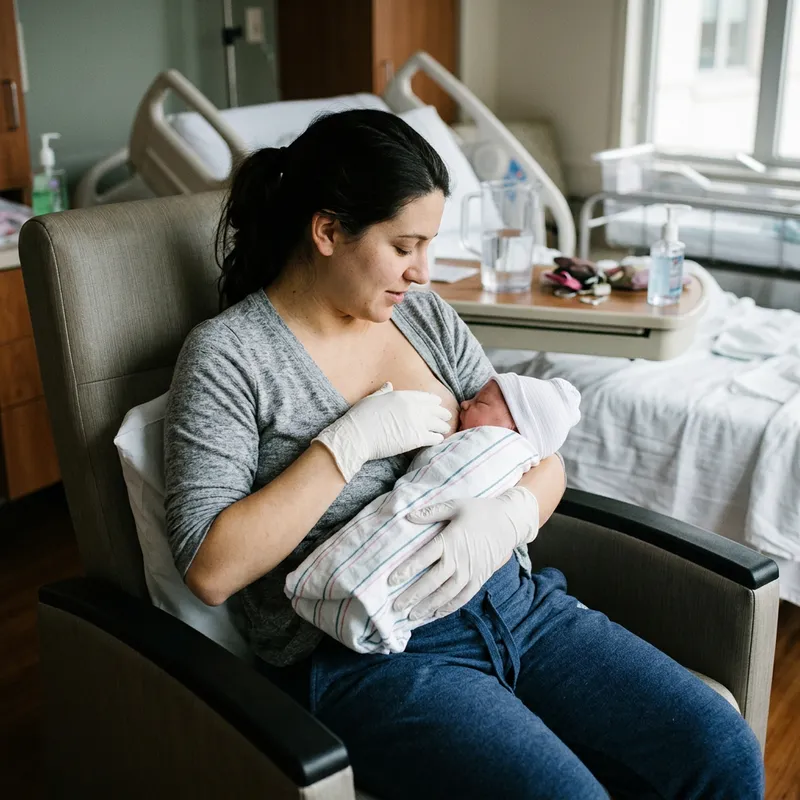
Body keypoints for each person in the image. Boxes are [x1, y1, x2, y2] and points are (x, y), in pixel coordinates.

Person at [164, 109, 764, 799]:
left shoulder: (421, 315)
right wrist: (345, 445)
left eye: (429, 245)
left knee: (721, 748)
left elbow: (537, 453)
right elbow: (211, 569)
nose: (422, 272)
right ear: (327, 231)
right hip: (375, 657)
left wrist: (509, 518)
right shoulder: (230, 357)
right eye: (404, 246)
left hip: (517, 606)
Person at [285, 374, 583, 655]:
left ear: (515, 426)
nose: (464, 402)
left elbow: (548, 457)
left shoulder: (446, 340)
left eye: (479, 402)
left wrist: (514, 515)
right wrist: (348, 442)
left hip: (523, 599)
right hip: (414, 647)